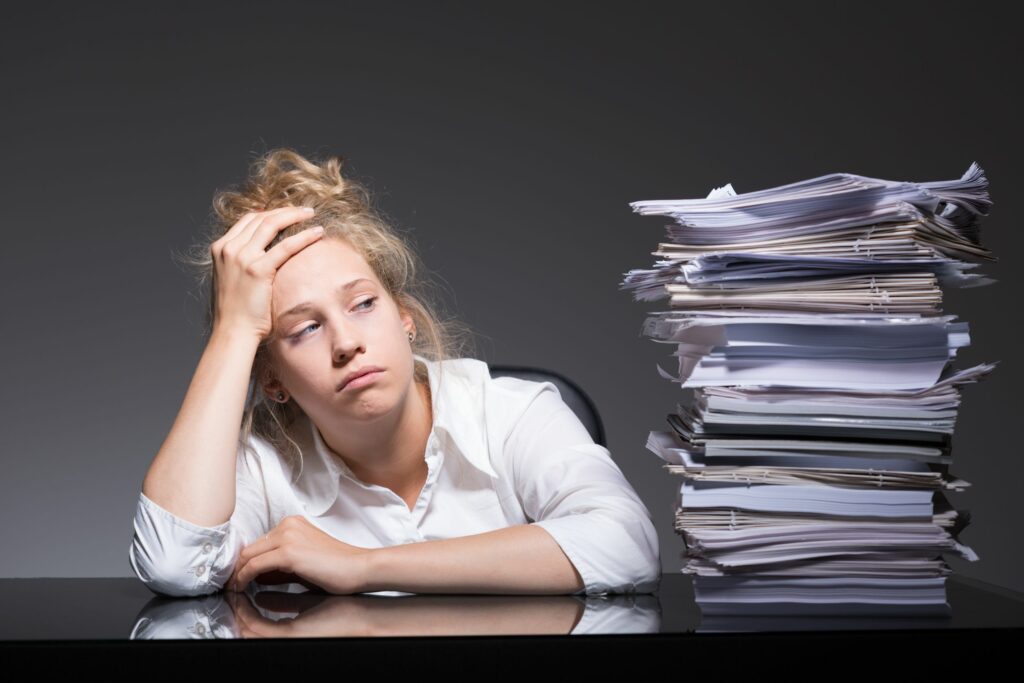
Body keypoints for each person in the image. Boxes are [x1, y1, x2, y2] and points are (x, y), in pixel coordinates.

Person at [128, 148, 661, 598]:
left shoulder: (513, 412)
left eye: (362, 304)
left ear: (404, 316)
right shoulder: (261, 464)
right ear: (271, 379)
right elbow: (176, 562)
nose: (347, 343)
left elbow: (626, 544)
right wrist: (234, 332)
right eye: (304, 329)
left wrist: (363, 565)